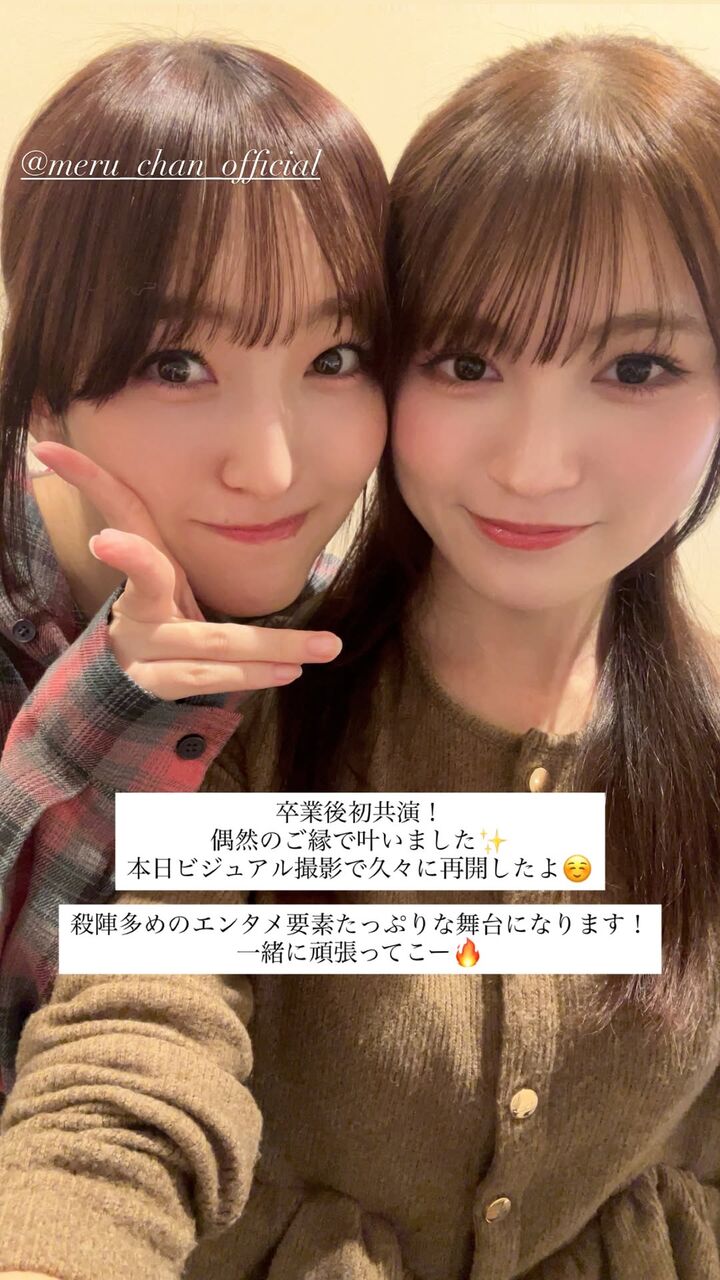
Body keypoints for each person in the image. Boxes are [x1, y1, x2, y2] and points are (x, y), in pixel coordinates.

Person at [2, 29, 720, 1280]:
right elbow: (131, 1058)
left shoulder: (699, 728)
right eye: (468, 360)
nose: (535, 464)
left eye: (638, 365)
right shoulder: (259, 707)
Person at [0, 34, 388, 1100]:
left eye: (335, 358)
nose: (271, 472)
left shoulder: (348, 625)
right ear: (44, 389)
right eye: (177, 365)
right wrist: (116, 704)